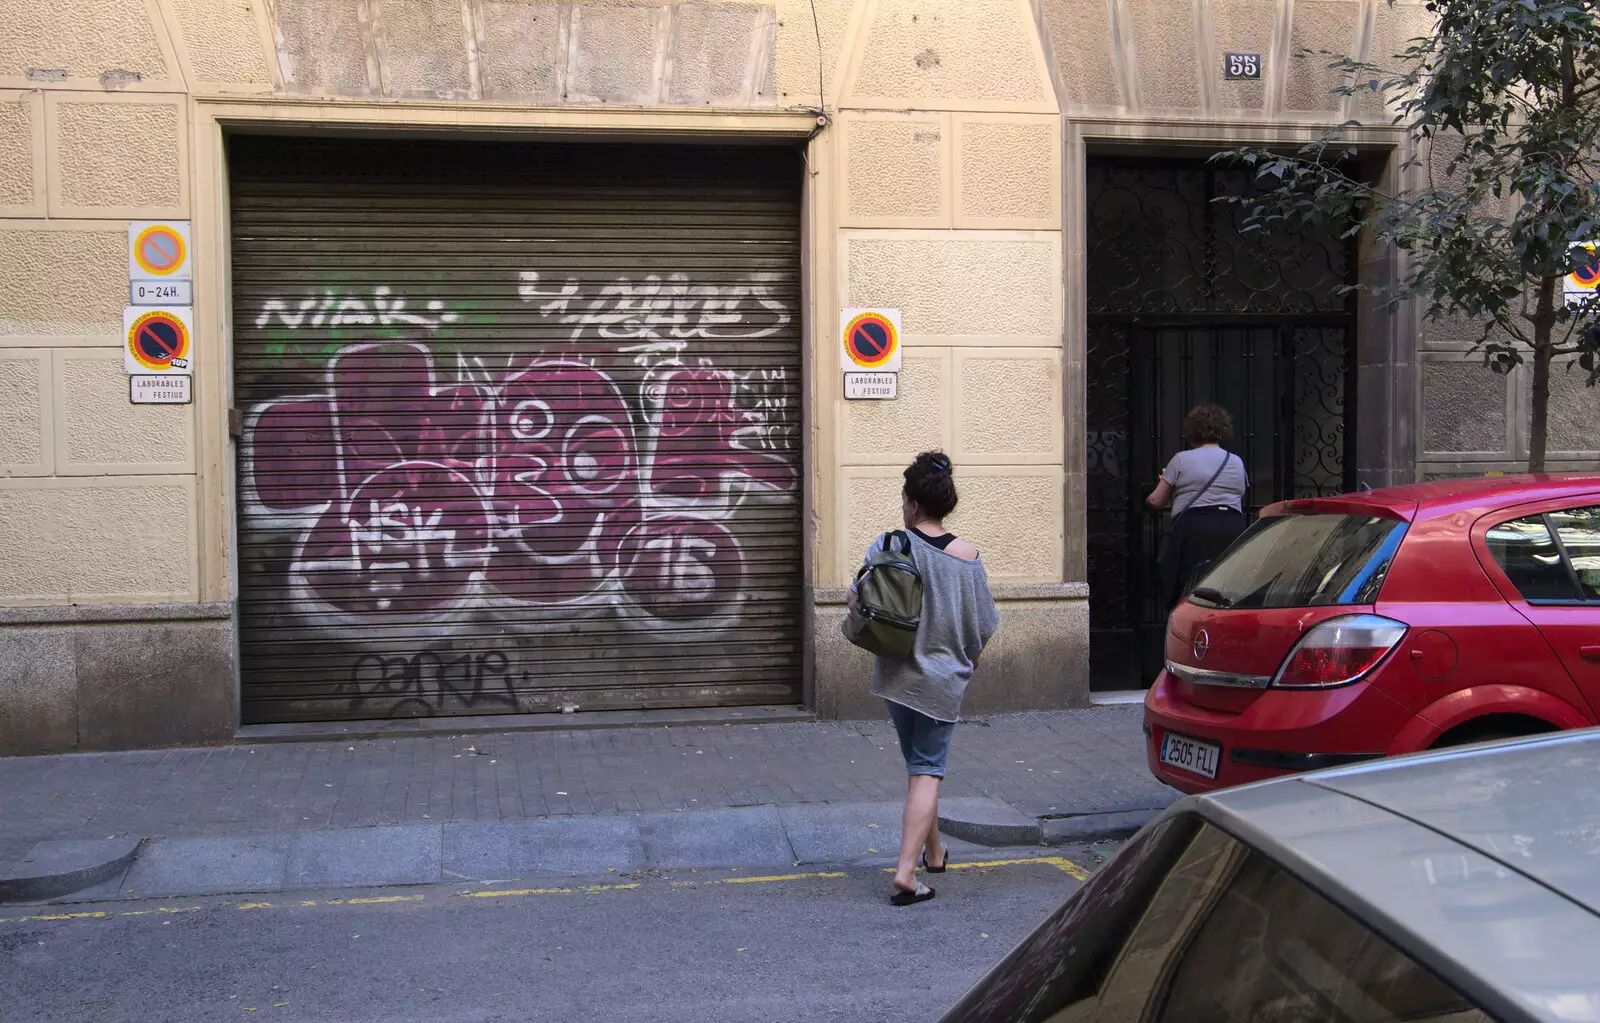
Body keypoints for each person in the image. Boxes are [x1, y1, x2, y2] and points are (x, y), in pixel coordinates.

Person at [849, 451, 999, 906]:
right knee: (928, 771)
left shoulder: (889, 544)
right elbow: (984, 623)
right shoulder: (968, 557)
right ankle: (906, 874)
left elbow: (859, 599)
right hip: (942, 680)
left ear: (912, 504)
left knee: (918, 769)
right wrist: (969, 658)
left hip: (896, 677)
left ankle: (935, 852)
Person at [1146, 403, 1249, 610]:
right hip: (1232, 527)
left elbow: (1156, 501)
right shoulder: (1236, 461)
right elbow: (1240, 492)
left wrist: (1167, 485)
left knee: (1189, 586)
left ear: (1192, 430)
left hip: (1194, 529)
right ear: (1223, 429)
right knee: (1226, 585)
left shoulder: (1181, 460)